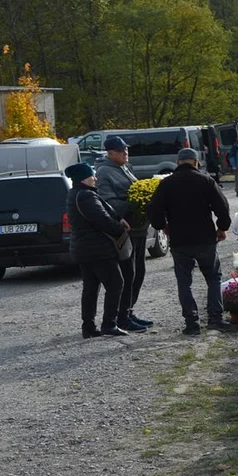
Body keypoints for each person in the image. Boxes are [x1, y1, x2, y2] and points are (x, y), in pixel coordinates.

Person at [147, 148, 232, 336]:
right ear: (196, 162)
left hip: (179, 239)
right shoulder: (206, 181)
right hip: (205, 238)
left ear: (178, 163)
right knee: (213, 278)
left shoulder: (166, 184)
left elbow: (153, 210)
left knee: (184, 282)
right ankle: (215, 319)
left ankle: (192, 324)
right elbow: (222, 207)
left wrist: (163, 226)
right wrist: (222, 228)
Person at [65, 162, 130, 338]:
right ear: (84, 178)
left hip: (85, 250)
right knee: (116, 283)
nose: (95, 178)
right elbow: (102, 219)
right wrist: (119, 229)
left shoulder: (77, 193)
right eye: (92, 175)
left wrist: (117, 218)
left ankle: (89, 327)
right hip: (97, 249)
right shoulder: (86, 196)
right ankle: (109, 324)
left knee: (91, 288)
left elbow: (103, 211)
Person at [95, 135, 150, 333]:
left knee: (139, 272)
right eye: (121, 150)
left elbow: (136, 188)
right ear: (110, 153)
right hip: (125, 230)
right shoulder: (104, 172)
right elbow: (107, 203)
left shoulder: (125, 167)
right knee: (129, 274)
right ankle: (121, 316)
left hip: (139, 227)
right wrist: (135, 202)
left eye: (126, 149)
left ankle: (128, 310)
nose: (126, 153)